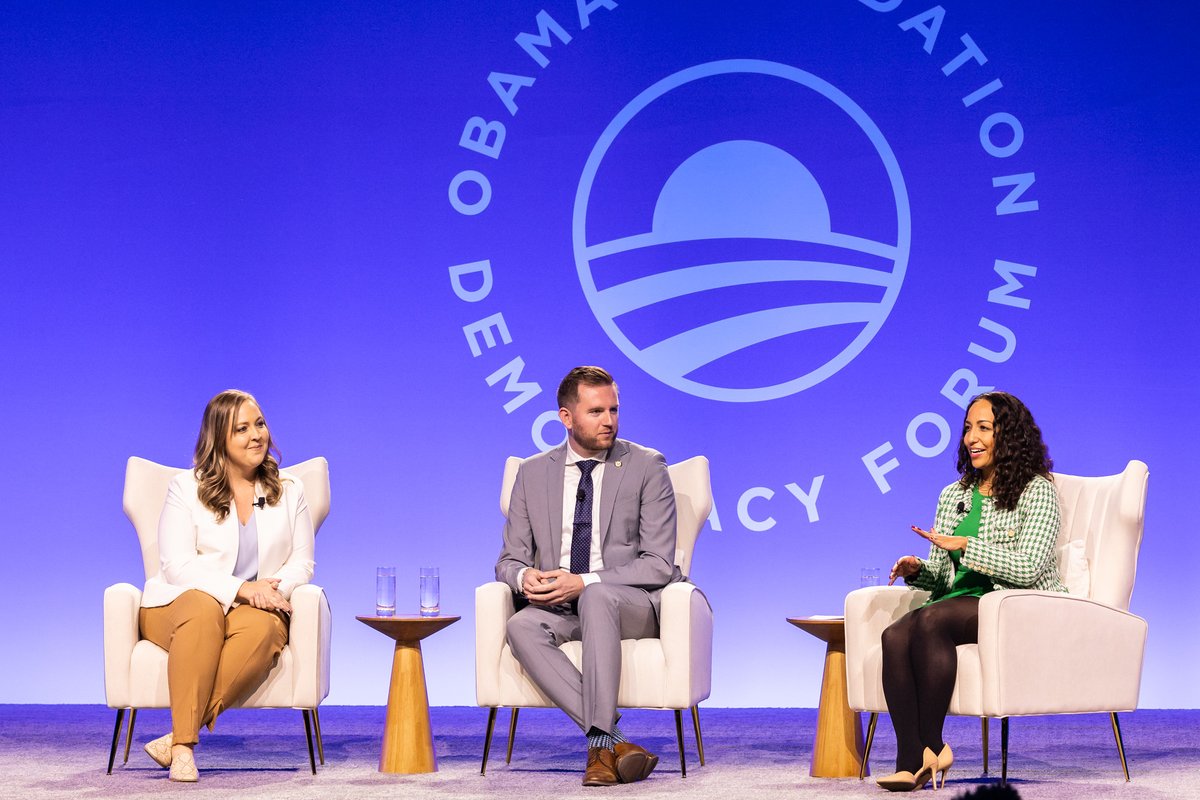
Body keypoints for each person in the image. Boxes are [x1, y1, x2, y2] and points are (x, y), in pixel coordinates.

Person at [495, 366, 680, 786]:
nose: (609, 420)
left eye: (614, 409)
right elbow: (508, 559)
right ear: (566, 417)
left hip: (628, 603)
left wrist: (586, 581)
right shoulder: (532, 472)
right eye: (596, 411)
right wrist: (526, 578)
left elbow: (658, 564)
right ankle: (613, 738)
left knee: (596, 597)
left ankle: (598, 752)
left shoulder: (646, 466)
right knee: (520, 626)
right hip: (559, 604)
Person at [879, 392, 1064, 792]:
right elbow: (943, 579)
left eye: (984, 428)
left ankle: (931, 745)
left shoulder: (1037, 492)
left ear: (1009, 435)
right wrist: (918, 571)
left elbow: (1029, 568)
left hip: (1013, 603)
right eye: (967, 428)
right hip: (958, 603)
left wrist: (966, 546)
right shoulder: (954, 494)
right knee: (893, 636)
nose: (971, 438)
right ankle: (912, 759)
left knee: (929, 621)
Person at [138, 390, 315, 782]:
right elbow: (177, 566)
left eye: (260, 424)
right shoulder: (186, 488)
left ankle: (180, 738)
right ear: (219, 438)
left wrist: (272, 590)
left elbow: (302, 562)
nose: (257, 435)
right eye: (242, 429)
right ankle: (184, 747)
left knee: (267, 629)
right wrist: (242, 589)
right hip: (177, 605)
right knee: (202, 610)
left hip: (252, 611)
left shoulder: (289, 490)